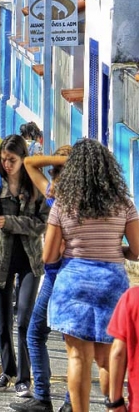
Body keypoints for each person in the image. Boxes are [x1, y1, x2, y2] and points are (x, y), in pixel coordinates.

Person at [42, 139, 139, 412]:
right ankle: (112, 407)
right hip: (111, 284)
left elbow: (49, 256)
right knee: (107, 358)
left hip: (73, 281)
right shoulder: (124, 204)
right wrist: (116, 250)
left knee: (77, 358)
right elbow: (137, 250)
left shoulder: (63, 204)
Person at [0, 135, 47, 396]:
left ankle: (24, 378)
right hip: (0, 259)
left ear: (23, 159)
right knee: (3, 319)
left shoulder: (36, 185)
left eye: (12, 160)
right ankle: (8, 370)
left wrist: (11, 222)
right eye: (4, 159)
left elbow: (42, 223)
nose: (7, 164)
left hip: (30, 260)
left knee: (24, 319)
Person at [12, 146, 73, 412]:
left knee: (64, 340)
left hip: (64, 273)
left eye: (58, 172)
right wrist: (66, 162)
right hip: (54, 274)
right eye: (54, 172)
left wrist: (67, 164)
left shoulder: (70, 201)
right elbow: (29, 162)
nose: (52, 179)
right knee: (38, 334)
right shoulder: (58, 197)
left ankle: (62, 400)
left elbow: (30, 163)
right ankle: (46, 397)